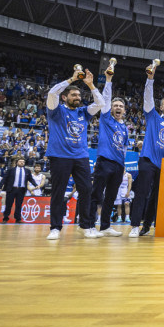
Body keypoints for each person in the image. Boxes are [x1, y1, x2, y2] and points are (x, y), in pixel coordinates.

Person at [45, 67, 105, 240]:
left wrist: (91, 85)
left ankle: (85, 226)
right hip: (59, 156)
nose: (77, 98)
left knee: (86, 189)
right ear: (65, 97)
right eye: (74, 95)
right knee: (58, 192)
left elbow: (100, 104)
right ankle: (55, 227)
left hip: (81, 156)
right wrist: (71, 79)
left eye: (79, 95)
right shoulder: (56, 110)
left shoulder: (83, 112)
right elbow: (52, 93)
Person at [129, 64, 164, 238]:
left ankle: (149, 226)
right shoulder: (152, 117)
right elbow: (147, 98)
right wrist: (150, 79)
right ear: (160, 108)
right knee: (142, 193)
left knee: (158, 197)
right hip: (148, 160)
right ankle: (134, 226)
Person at [86, 63, 128, 238]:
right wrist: (109, 80)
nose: (118, 107)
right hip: (104, 162)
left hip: (118, 165)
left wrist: (123, 165)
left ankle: (105, 226)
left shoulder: (125, 128)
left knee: (111, 197)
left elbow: (124, 148)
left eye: (120, 106)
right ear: (111, 108)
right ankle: (89, 225)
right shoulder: (106, 118)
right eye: (115, 105)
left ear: (124, 110)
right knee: (97, 194)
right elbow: (105, 98)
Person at [0, 157, 37, 224]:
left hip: (21, 190)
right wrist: (0, 187)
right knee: (8, 204)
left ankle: (18, 219)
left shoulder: (27, 171)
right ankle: (5, 218)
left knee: (19, 205)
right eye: (20, 161)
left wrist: (35, 185)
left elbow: (31, 179)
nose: (22, 163)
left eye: (23, 162)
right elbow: (4, 178)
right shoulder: (11, 170)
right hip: (12, 189)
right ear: (17, 162)